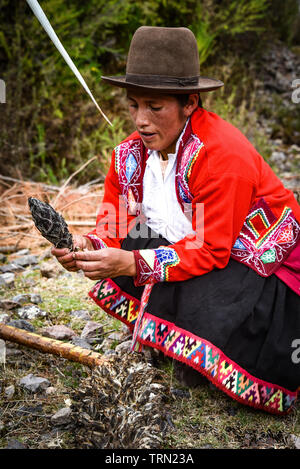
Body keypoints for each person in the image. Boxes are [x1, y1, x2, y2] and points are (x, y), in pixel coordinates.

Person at [52, 26, 300, 415]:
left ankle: (221, 349)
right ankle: (174, 339)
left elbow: (211, 249)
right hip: (203, 248)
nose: (141, 120)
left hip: (263, 273)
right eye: (133, 105)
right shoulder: (131, 156)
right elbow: (115, 223)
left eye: (155, 107)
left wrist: (133, 263)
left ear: (190, 103)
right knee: (133, 244)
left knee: (178, 275)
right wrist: (88, 247)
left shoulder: (222, 157)